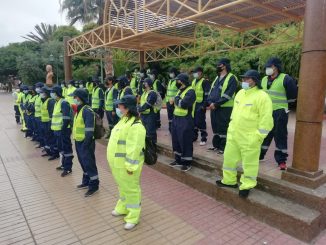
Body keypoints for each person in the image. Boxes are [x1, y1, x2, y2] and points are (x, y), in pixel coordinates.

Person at [216, 70, 273, 198]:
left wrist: (258, 137)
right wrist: (230, 129)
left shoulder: (262, 96)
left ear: (255, 80)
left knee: (250, 164)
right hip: (234, 135)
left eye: (248, 79)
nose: (244, 81)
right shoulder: (240, 93)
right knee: (229, 159)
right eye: (243, 79)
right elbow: (234, 113)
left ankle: (247, 185)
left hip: (250, 137)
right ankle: (229, 181)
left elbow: (267, 121)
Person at [107, 95, 146, 230]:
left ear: (127, 107)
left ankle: (133, 216)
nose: (118, 108)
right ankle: (123, 207)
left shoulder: (136, 125)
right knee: (122, 187)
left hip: (127, 165)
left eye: (120, 105)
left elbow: (134, 149)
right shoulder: (123, 120)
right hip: (117, 164)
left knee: (131, 189)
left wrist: (131, 166)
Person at [260, 58, 298, 170]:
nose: (268, 69)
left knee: (280, 135)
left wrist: (286, 108)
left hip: (280, 112)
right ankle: (260, 155)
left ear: (276, 67)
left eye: (270, 66)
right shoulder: (263, 80)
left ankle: (281, 160)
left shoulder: (285, 78)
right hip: (266, 111)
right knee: (263, 133)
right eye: (267, 66)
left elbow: (292, 95)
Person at [207, 58, 238, 154]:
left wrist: (216, 104)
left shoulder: (232, 78)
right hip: (214, 107)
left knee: (224, 128)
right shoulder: (217, 77)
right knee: (215, 127)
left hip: (225, 108)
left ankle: (223, 147)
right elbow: (211, 92)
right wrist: (210, 102)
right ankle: (216, 145)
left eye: (219, 65)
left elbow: (228, 95)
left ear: (224, 66)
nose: (217, 66)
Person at [72, 88, 99, 197]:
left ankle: (94, 185)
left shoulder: (87, 110)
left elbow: (89, 130)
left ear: (80, 98)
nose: (74, 99)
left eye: (75, 97)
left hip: (86, 142)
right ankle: (86, 181)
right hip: (79, 141)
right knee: (83, 162)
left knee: (89, 163)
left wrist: (85, 144)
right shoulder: (80, 109)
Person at [170, 73, 196, 172]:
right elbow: (176, 103)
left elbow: (183, 104)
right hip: (176, 118)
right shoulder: (179, 91)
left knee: (185, 140)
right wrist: (176, 101)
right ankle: (178, 160)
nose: (176, 82)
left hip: (185, 119)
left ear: (182, 81)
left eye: (178, 80)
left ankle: (186, 163)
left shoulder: (190, 91)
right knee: (176, 139)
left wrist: (176, 100)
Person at [50, 86, 74, 177]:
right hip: (57, 130)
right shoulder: (57, 102)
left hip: (63, 130)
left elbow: (66, 118)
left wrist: (63, 130)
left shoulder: (64, 103)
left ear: (57, 93)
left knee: (67, 149)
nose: (51, 94)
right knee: (61, 148)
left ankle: (68, 168)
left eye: (53, 92)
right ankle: (64, 165)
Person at [191, 66, 210, 146]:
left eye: (195, 72)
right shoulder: (194, 81)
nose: (194, 74)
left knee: (201, 121)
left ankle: (203, 138)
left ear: (200, 72)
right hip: (194, 104)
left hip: (201, 104)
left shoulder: (204, 82)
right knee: (194, 122)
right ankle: (194, 136)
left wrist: (204, 105)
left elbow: (207, 95)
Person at [139, 78, 158, 143]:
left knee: (150, 133)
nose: (143, 84)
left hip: (150, 115)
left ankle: (152, 151)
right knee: (143, 132)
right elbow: (141, 103)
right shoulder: (144, 93)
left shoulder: (152, 93)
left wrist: (139, 109)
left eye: (145, 83)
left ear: (148, 84)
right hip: (143, 115)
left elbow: (148, 104)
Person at [40, 86, 56, 160]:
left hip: (49, 122)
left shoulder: (50, 101)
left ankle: (54, 153)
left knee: (51, 138)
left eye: (42, 92)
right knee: (46, 137)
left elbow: (51, 114)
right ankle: (48, 151)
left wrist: (50, 124)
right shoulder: (43, 100)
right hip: (44, 122)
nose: (41, 94)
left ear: (46, 93)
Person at [166, 67, 179, 133]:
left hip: (174, 102)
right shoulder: (170, 81)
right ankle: (170, 129)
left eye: (171, 73)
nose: (170, 74)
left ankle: (175, 129)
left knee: (174, 116)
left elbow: (179, 91)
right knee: (170, 117)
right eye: (170, 73)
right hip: (168, 101)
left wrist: (174, 99)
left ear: (174, 73)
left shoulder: (177, 81)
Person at [34, 82, 44, 147]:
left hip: (41, 116)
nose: (36, 89)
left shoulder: (42, 96)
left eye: (37, 87)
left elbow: (42, 107)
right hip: (36, 115)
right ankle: (41, 143)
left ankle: (43, 144)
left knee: (42, 131)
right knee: (39, 131)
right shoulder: (37, 96)